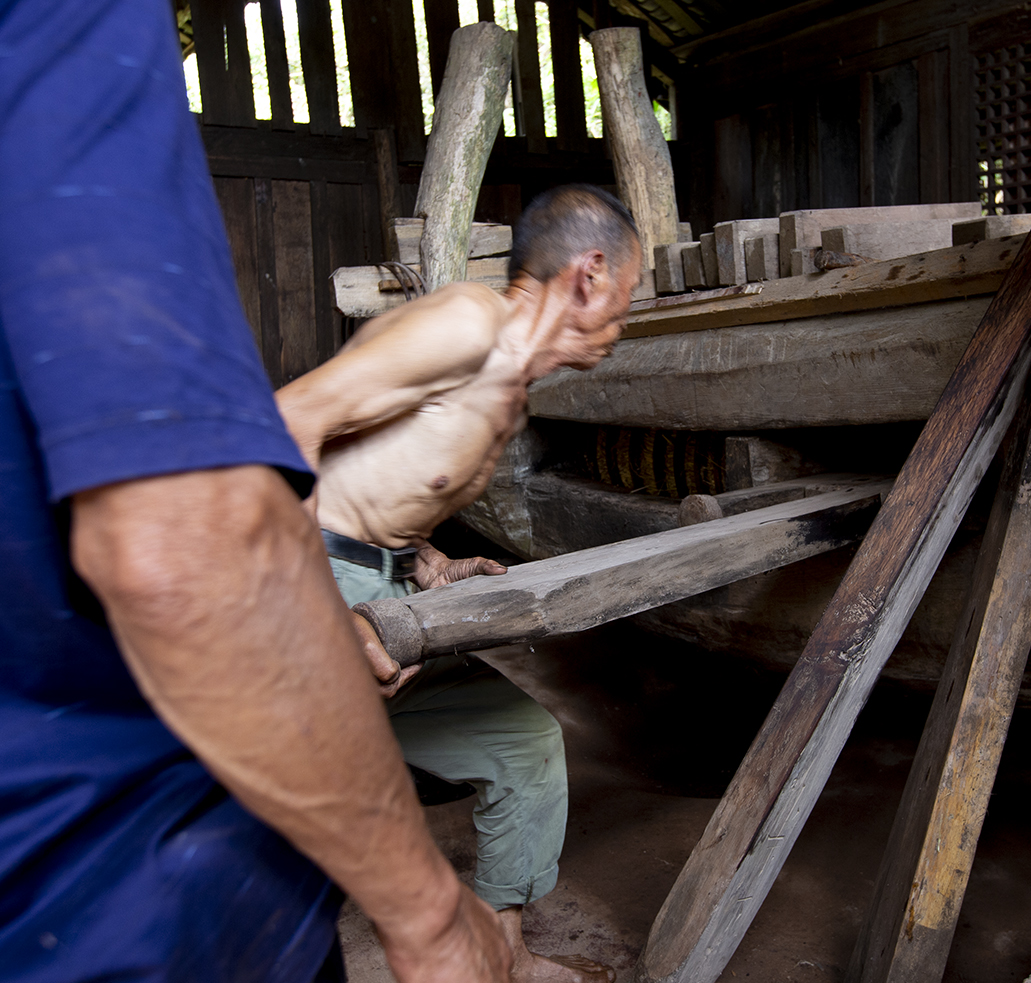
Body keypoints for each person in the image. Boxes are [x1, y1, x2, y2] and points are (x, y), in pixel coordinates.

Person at [0, 0, 514, 979]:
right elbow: (191, 545)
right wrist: (434, 917)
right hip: (124, 905)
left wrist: (418, 562)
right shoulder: (63, 23)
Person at [274, 184, 640, 983]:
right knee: (292, 818)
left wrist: (428, 562)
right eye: (627, 295)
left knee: (524, 742)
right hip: (307, 578)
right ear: (590, 272)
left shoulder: (507, 388)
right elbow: (286, 426)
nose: (625, 320)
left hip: (381, 584)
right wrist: (321, 617)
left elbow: (383, 492)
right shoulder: (465, 325)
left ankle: (505, 955)